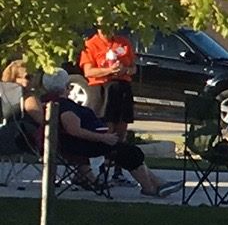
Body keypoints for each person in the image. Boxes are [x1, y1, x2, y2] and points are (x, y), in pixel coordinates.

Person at [34, 71, 179, 197]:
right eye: (69, 86)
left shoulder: (50, 102)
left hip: (79, 143)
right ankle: (151, 188)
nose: (70, 89)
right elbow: (74, 130)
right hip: (79, 146)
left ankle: (158, 184)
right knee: (128, 152)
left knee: (126, 150)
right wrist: (103, 137)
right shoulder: (64, 106)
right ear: (64, 87)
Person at [79, 26, 138, 139]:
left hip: (122, 87)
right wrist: (109, 71)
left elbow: (133, 67)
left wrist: (126, 70)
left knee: (121, 126)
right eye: (103, 26)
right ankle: (105, 153)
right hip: (102, 89)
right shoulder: (90, 44)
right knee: (106, 127)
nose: (107, 29)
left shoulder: (123, 42)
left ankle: (119, 152)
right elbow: (88, 72)